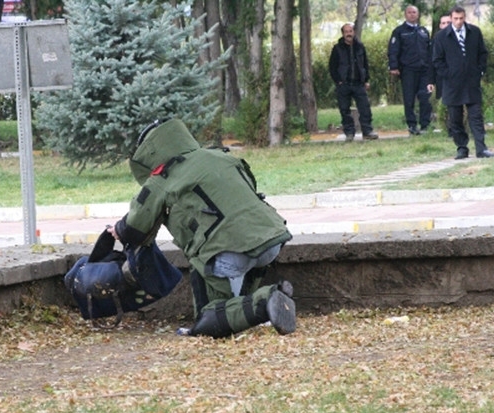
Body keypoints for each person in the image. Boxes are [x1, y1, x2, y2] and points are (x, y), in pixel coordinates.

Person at [108, 118, 296, 338]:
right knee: (222, 270)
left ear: (149, 153)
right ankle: (257, 306)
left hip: (232, 251)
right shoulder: (218, 155)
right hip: (270, 241)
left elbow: (137, 224)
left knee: (210, 313)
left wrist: (119, 230)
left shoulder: (164, 174)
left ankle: (266, 301)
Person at [432, 6, 494, 159]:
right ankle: (461, 147)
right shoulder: (441, 37)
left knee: (476, 116)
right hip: (452, 84)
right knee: (455, 118)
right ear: (451, 18)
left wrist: (479, 70)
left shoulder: (474, 32)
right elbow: (437, 60)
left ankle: (481, 148)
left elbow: (482, 53)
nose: (459, 22)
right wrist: (448, 74)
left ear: (465, 17)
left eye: (461, 18)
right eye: (455, 19)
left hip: (471, 82)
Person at [328, 23, 379, 142]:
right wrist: (338, 81)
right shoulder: (337, 48)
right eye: (346, 31)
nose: (349, 34)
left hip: (358, 83)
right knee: (345, 110)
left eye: (350, 31)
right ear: (343, 34)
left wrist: (366, 80)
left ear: (354, 32)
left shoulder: (360, 47)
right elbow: (332, 67)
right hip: (344, 84)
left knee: (365, 108)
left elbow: (365, 64)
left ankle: (367, 131)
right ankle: (349, 133)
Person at [388, 5, 433, 135]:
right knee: (409, 99)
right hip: (408, 70)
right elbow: (393, 50)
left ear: (417, 15)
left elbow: (429, 51)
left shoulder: (423, 31)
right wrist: (394, 66)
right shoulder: (399, 31)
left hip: (424, 70)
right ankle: (412, 125)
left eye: (414, 12)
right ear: (405, 14)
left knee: (425, 98)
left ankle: (425, 125)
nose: (412, 15)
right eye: (409, 12)